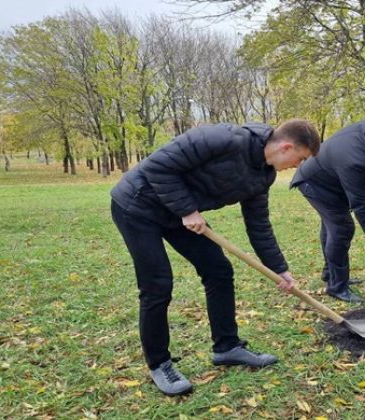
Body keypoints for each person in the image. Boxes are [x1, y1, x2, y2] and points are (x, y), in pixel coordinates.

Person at [110, 119, 321, 396]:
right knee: (157, 285)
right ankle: (160, 364)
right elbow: (157, 167)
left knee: (219, 271)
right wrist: (187, 210)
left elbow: (258, 225)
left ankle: (227, 347)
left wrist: (279, 269)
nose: (298, 165)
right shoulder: (221, 138)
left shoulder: (263, 175)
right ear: (286, 147)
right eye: (301, 158)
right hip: (137, 206)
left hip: (178, 214)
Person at [291, 116, 365, 303]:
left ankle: (331, 273)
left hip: (333, 178)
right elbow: (361, 205)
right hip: (316, 184)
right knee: (341, 227)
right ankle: (337, 286)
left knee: (332, 227)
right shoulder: (357, 162)